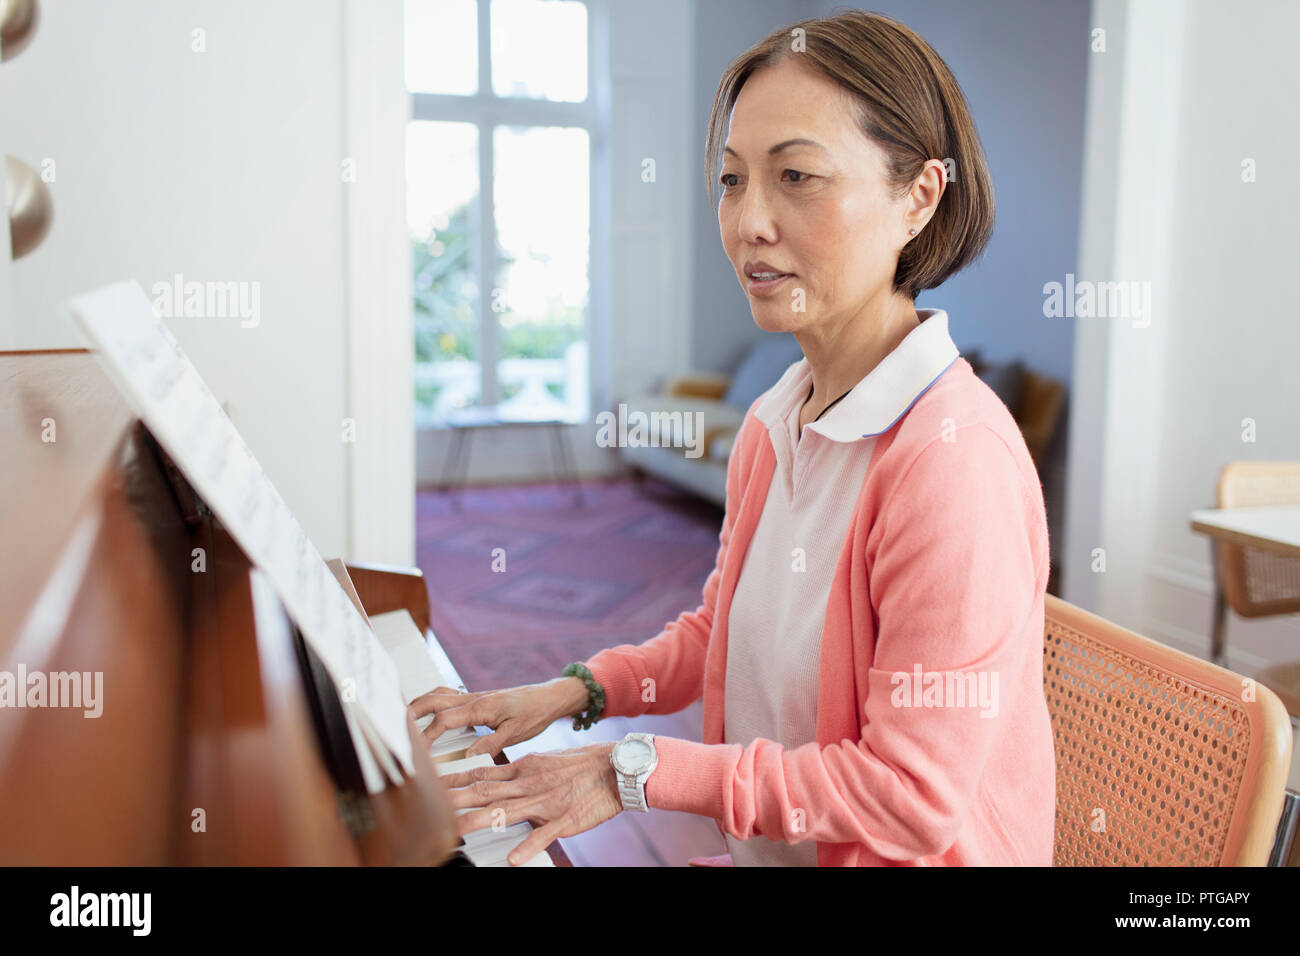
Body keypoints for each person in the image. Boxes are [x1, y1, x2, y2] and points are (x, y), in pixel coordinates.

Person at [413, 9, 1055, 867]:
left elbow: (910, 801)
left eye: (796, 176)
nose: (749, 221)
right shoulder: (772, 420)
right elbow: (724, 632)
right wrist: (570, 692)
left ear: (919, 197)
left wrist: (627, 770)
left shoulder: (952, 461)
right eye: (730, 179)